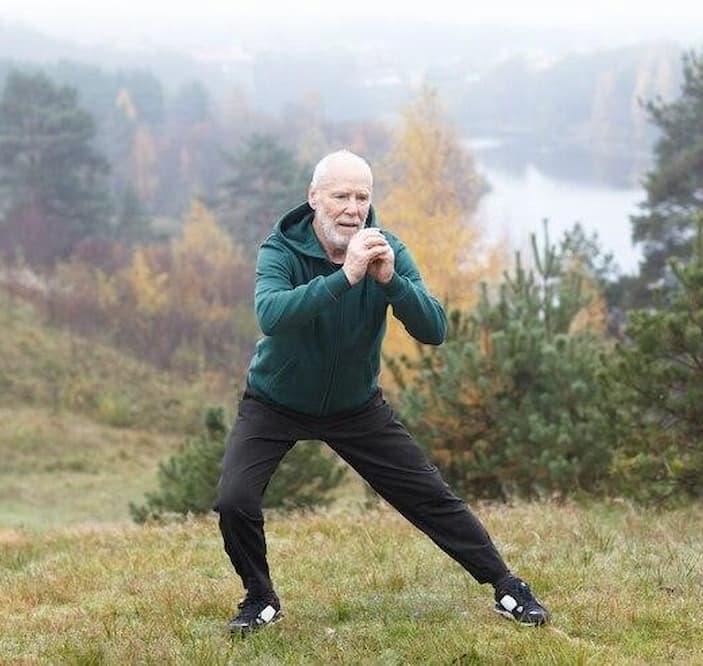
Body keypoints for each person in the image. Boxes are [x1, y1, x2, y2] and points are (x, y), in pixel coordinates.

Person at [216, 149, 550, 634]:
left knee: (430, 496)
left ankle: (505, 586)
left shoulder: (386, 247)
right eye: (340, 196)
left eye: (362, 197)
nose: (352, 208)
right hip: (276, 401)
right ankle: (260, 597)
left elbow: (435, 328)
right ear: (314, 198)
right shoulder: (280, 250)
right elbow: (271, 316)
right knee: (234, 499)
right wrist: (345, 277)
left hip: (355, 407)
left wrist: (391, 281)